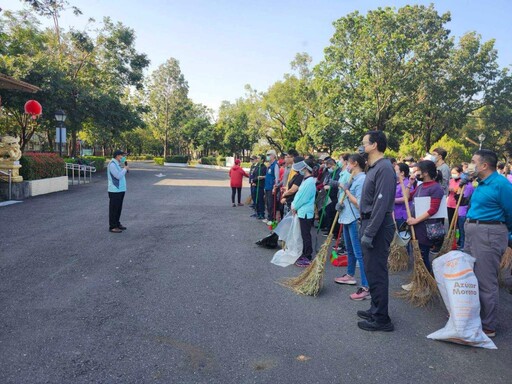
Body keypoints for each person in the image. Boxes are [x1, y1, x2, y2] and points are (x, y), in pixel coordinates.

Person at [464, 149, 512, 338]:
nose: (470, 164)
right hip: (473, 231)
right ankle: (472, 316)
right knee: (470, 276)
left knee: (486, 280)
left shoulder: (500, 184)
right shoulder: (481, 183)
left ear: (484, 165)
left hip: (489, 233)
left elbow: (510, 212)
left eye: (473, 161)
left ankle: (487, 325)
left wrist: (502, 231)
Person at [356, 130, 396, 332]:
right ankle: (375, 309)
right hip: (369, 223)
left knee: (377, 272)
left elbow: (381, 205)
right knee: (371, 270)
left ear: (375, 144)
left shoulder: (385, 168)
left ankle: (382, 319)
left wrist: (369, 233)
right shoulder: (373, 167)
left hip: (377, 226)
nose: (361, 146)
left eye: (364, 143)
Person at [334, 154, 370, 300]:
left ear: (354, 163)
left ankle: (366, 286)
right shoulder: (353, 178)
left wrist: (346, 190)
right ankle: (349, 275)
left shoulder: (362, 179)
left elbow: (359, 204)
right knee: (349, 250)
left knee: (358, 253)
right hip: (347, 217)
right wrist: (341, 204)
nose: (346, 165)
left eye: (348, 163)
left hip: (355, 219)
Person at [405, 160, 444, 273]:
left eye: (417, 170)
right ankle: (419, 281)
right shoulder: (421, 186)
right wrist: (409, 184)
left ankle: (426, 281)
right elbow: (407, 197)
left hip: (426, 228)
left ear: (425, 173)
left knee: (423, 255)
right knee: (417, 255)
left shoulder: (436, 188)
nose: (415, 173)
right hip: (416, 227)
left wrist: (416, 220)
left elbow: (433, 209)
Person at [291, 158, 317, 267]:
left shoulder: (310, 181)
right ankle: (305, 253)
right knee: (303, 234)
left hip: (305, 212)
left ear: (306, 168)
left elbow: (303, 198)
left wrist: (294, 206)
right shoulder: (306, 180)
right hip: (302, 211)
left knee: (305, 234)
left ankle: (308, 256)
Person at [108, 150, 129, 233]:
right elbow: (118, 176)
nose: (123, 157)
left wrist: (124, 167)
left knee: (118, 208)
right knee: (114, 209)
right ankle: (112, 226)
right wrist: (125, 169)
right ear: (117, 156)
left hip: (120, 189)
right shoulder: (112, 164)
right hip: (114, 190)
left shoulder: (117, 164)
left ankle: (117, 223)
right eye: (122, 156)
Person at [264, 149, 280, 224]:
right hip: (267, 187)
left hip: (272, 187)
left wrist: (275, 186)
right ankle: (269, 217)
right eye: (267, 155)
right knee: (267, 203)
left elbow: (277, 177)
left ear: (273, 156)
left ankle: (271, 219)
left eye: (269, 155)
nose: (267, 157)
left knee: (271, 204)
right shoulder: (269, 165)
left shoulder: (275, 165)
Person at [394, 163, 411, 230]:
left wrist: (392, 200)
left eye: (395, 170)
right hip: (395, 213)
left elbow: (406, 198)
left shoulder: (407, 183)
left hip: (402, 215)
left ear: (402, 173)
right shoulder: (396, 182)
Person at [251, 155, 267, 220]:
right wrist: (253, 181)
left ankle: (261, 214)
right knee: (255, 199)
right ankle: (257, 212)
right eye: (257, 158)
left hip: (260, 186)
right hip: (255, 185)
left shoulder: (264, 167)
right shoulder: (257, 166)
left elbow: (262, 177)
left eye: (258, 158)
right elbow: (254, 174)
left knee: (260, 200)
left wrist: (255, 180)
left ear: (262, 160)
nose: (257, 159)